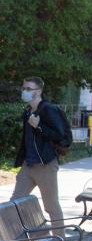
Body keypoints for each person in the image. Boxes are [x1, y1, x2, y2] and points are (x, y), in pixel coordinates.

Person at [10, 77, 69, 228]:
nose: (25, 92)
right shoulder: (28, 111)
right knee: (14, 206)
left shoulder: (49, 109)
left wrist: (39, 126)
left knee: (51, 207)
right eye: (24, 88)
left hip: (45, 165)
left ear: (39, 91)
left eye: (29, 89)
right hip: (28, 165)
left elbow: (60, 136)